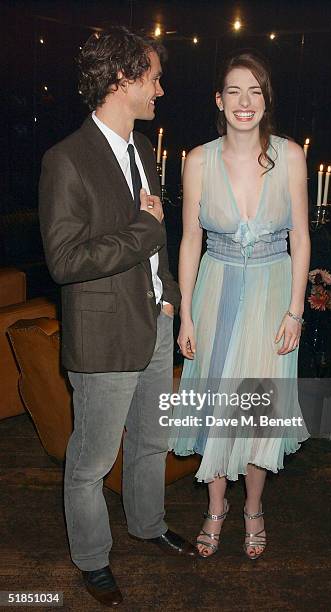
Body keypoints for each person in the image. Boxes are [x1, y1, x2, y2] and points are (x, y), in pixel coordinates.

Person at [39, 26, 196, 608]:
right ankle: (91, 558)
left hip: (153, 322)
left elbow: (155, 245)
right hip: (104, 336)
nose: (161, 88)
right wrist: (143, 230)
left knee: (152, 441)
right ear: (121, 79)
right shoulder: (67, 160)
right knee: (91, 460)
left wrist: (172, 298)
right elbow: (65, 260)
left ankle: (148, 524)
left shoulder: (139, 152)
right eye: (153, 77)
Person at [169, 52, 310, 560]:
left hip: (273, 292)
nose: (244, 102)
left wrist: (295, 309)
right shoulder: (199, 160)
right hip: (216, 289)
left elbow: (300, 235)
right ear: (219, 101)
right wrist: (186, 312)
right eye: (234, 91)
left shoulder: (290, 155)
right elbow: (188, 240)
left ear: (265, 98)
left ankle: (252, 507)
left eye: (254, 91)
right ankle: (215, 508)